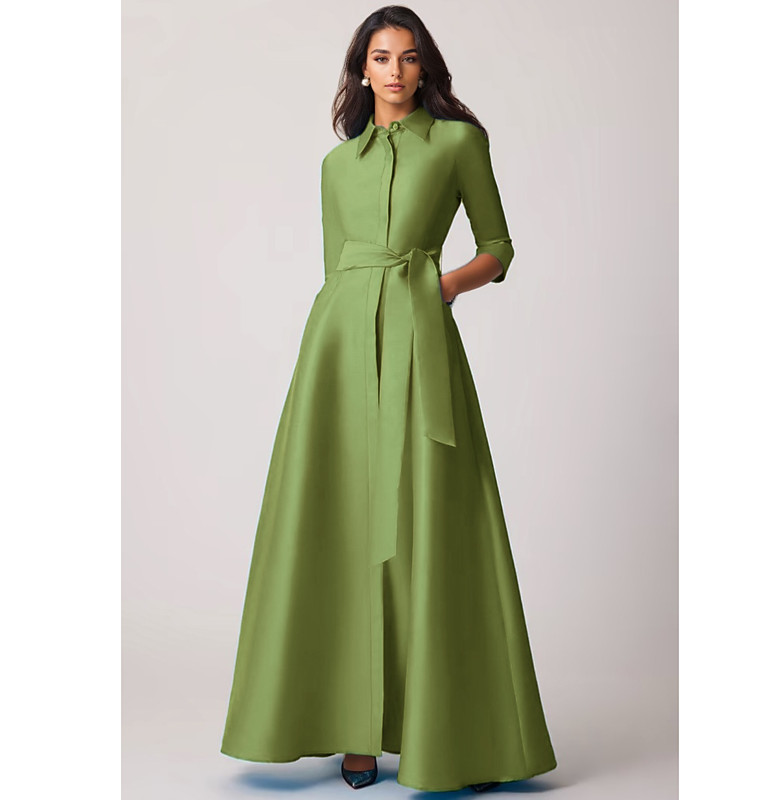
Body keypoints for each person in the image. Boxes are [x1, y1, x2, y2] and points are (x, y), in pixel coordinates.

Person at [221, 5, 558, 793]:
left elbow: (498, 247)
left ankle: (454, 735)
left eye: (408, 57)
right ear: (361, 70)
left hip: (420, 341)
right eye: (381, 57)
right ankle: (356, 732)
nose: (396, 70)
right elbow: (336, 268)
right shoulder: (336, 167)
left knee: (431, 526)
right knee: (340, 524)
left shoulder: (458, 143)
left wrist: (442, 286)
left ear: (423, 66)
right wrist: (343, 334)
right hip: (337, 352)